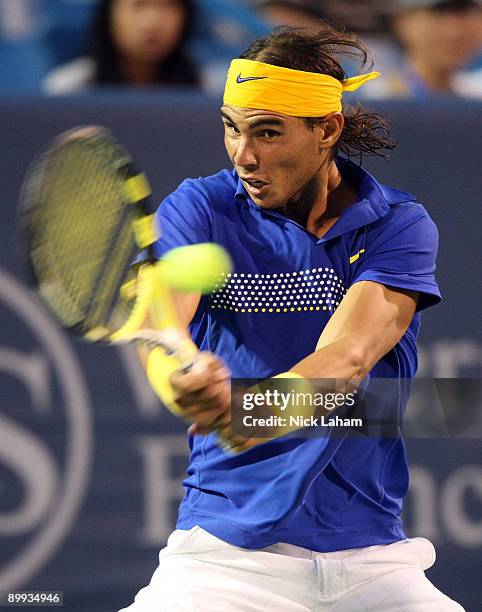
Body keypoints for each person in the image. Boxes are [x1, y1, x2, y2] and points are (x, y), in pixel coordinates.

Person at [119, 25, 464, 612]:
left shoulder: (397, 225)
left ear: (327, 129)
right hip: (225, 560)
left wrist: (252, 409)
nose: (243, 154)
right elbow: (163, 329)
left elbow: (348, 359)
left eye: (268, 132)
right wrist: (181, 382)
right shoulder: (199, 207)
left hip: (374, 563)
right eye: (231, 126)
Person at [43, 0, 199, 94]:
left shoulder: (208, 91)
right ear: (109, 14)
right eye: (139, 5)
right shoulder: (69, 89)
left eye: (167, 5)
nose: (152, 22)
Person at [361, 0, 482, 99]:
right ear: (402, 22)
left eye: (464, 13)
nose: (454, 31)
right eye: (438, 14)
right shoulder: (376, 99)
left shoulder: (474, 94)